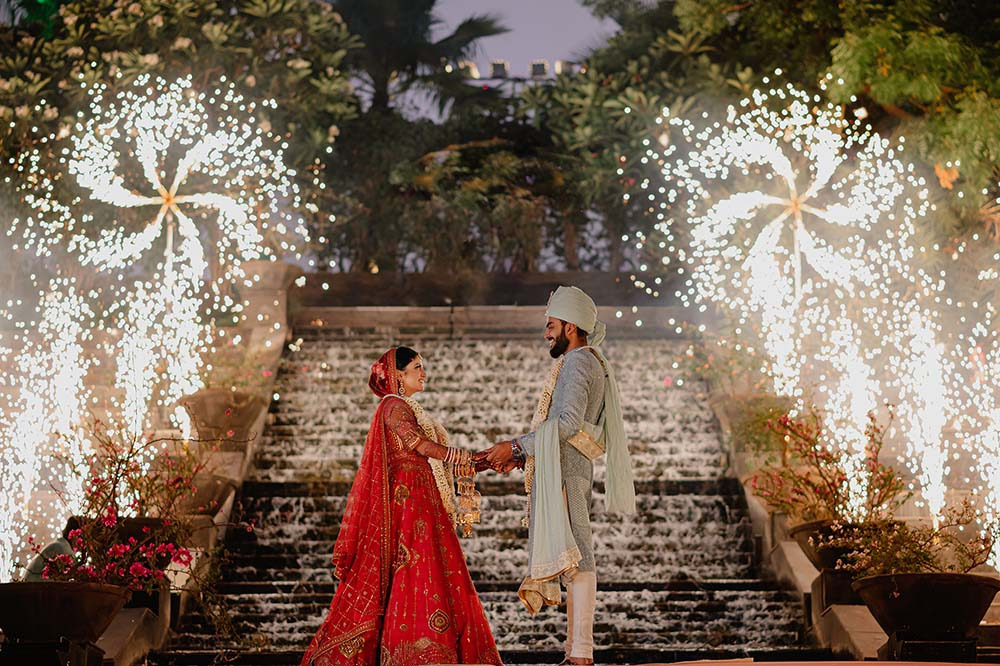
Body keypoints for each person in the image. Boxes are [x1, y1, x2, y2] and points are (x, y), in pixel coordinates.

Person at [301, 346, 502, 666]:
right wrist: (467, 456)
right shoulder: (393, 406)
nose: (424, 374)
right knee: (417, 570)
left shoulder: (410, 408)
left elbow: (436, 455)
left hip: (422, 500)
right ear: (397, 375)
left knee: (433, 571)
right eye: (417, 367)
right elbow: (419, 444)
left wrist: (482, 461)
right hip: (408, 506)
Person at [475, 286, 636, 666]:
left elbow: (566, 424)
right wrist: (521, 455)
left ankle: (581, 653)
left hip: (567, 470)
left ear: (570, 327)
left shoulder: (579, 362)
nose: (546, 333)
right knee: (574, 555)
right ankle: (575, 652)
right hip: (565, 467)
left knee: (577, 554)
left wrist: (516, 446)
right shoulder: (583, 360)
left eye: (551, 325)